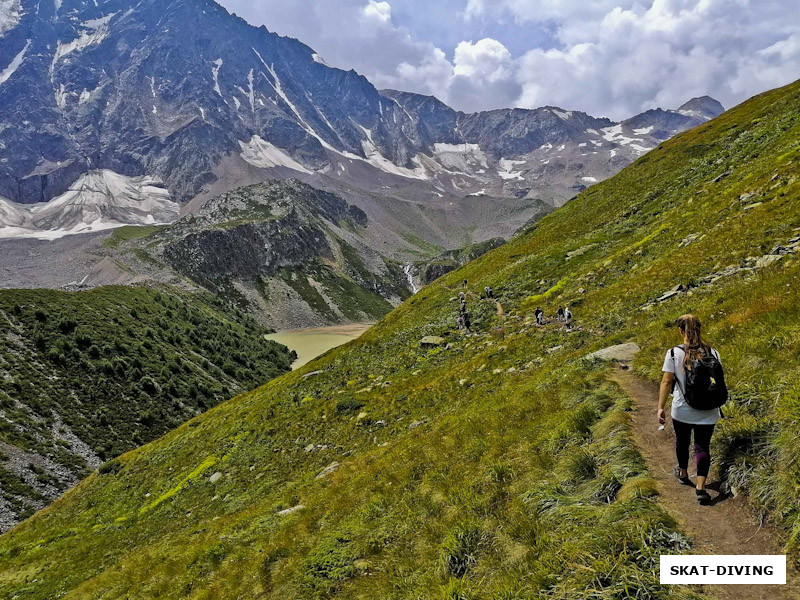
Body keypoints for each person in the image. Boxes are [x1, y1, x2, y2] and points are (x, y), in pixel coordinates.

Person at [657, 314, 723, 505]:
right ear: (700, 329)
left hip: (682, 409)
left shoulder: (673, 354)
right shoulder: (713, 352)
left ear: (680, 331)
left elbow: (666, 381)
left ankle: (684, 472)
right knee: (702, 446)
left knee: (683, 441)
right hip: (709, 409)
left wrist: (660, 408)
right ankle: (701, 488)